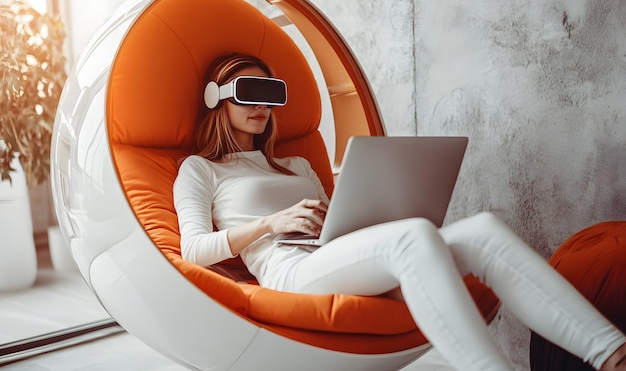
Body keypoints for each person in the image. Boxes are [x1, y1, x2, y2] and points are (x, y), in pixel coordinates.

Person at [173, 53, 626, 371]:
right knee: (415, 236)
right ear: (217, 98)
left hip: (335, 255)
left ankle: (612, 355)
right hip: (290, 272)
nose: (262, 105)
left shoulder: (297, 165)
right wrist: (272, 223)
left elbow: (338, 220)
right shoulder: (201, 170)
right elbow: (192, 252)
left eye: (271, 94)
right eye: (249, 93)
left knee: (480, 231)